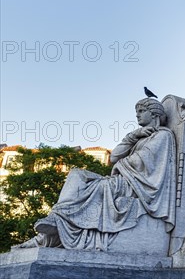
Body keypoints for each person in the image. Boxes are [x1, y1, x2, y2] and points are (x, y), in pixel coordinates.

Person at [19, 98, 176, 251]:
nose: (137, 115)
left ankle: (49, 234)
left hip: (136, 185)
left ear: (154, 113)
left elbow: (142, 162)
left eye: (142, 111)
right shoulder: (141, 136)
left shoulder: (163, 135)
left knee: (95, 187)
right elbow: (114, 156)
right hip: (124, 178)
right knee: (76, 174)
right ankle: (56, 219)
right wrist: (133, 135)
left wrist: (121, 164)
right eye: (137, 112)